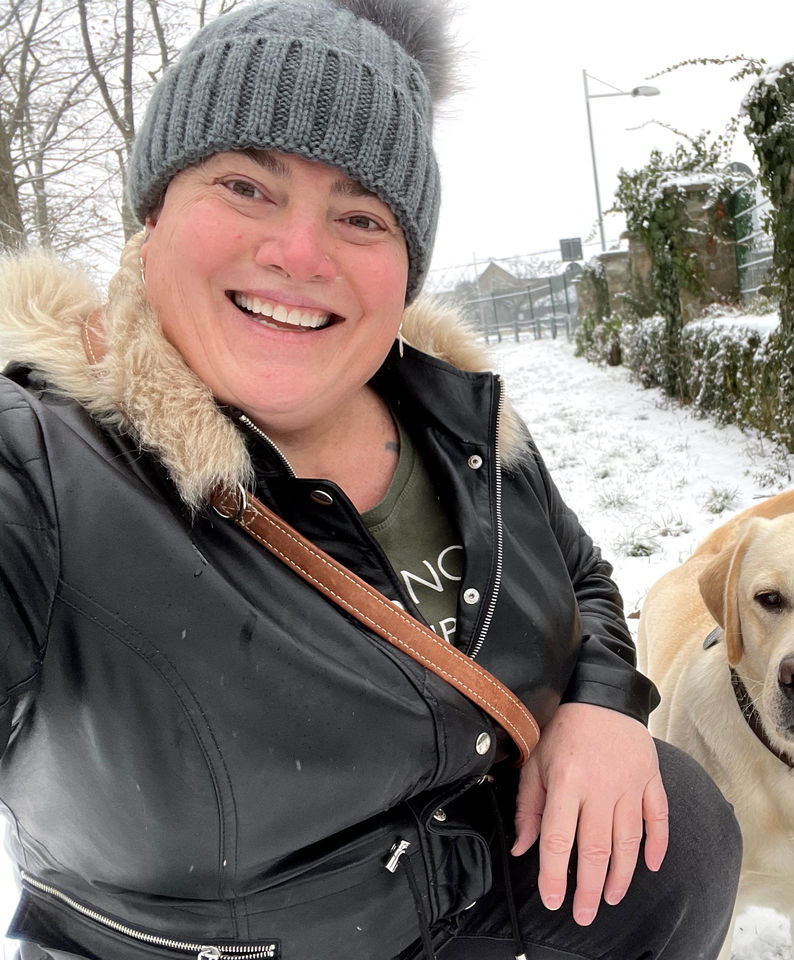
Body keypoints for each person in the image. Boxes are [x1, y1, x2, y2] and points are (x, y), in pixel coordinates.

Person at [0, 1, 742, 957]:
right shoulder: (45, 468)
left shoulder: (462, 425)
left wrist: (603, 702)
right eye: (246, 185)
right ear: (153, 217)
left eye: (359, 215)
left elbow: (583, 579)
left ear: (405, 266)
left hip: (474, 905)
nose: (301, 254)